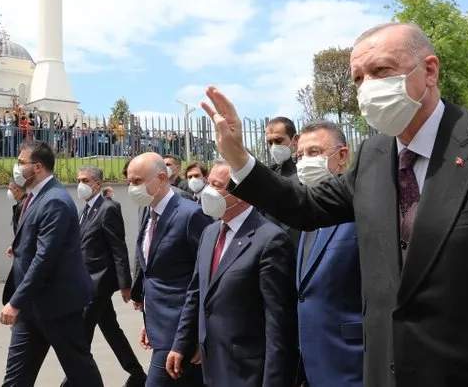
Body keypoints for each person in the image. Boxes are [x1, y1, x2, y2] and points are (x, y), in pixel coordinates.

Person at [203, 21, 468, 387]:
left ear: (428, 70)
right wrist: (237, 156)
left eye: (381, 71)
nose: (368, 88)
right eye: (359, 78)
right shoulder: (374, 155)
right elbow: (303, 207)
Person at [166, 160, 298, 387]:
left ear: (243, 193)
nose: (208, 191)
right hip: (213, 364)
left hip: (248, 370)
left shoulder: (270, 240)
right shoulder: (210, 232)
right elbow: (196, 293)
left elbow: (278, 323)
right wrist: (181, 344)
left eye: (217, 186)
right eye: (209, 183)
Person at [0, 140, 103, 387]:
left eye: (20, 162)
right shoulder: (34, 197)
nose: (16, 167)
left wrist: (15, 302)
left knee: (80, 371)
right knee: (16, 377)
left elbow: (46, 258)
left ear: (37, 167)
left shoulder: (55, 200)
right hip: (31, 306)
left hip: (58, 306)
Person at [127, 152, 212, 386]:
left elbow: (204, 278)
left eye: (137, 181)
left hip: (182, 332)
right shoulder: (148, 210)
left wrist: (196, 334)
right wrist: (150, 322)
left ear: (162, 178)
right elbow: (153, 272)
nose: (131, 187)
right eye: (129, 181)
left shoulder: (190, 214)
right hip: (161, 328)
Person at [62, 166, 147, 387]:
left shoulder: (108, 208)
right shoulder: (85, 210)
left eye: (85, 180)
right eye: (78, 179)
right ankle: (137, 374)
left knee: (81, 336)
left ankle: (71, 382)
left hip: (99, 283)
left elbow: (117, 248)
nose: (80, 184)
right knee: (111, 330)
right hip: (84, 281)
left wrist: (125, 284)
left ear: (97, 184)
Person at [294, 121, 363, 387]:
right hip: (313, 364)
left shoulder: (359, 208)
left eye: (314, 152)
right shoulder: (305, 212)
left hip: (353, 363)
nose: (303, 162)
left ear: (342, 156)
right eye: (299, 156)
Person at [264, 116, 302, 249]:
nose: (274, 147)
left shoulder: (307, 171)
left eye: (279, 140)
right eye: (270, 143)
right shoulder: (269, 174)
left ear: (295, 139)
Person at [5, 180, 28, 258]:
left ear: (17, 190)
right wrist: (13, 245)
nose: (8, 192)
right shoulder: (22, 204)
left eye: (10, 189)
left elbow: (24, 230)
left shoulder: (24, 206)